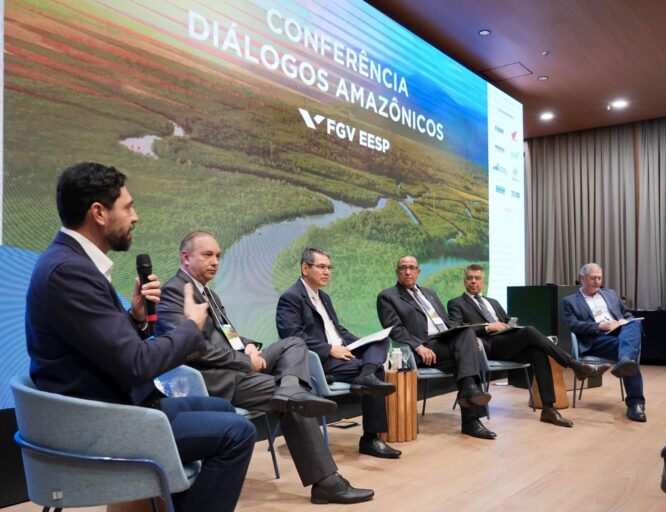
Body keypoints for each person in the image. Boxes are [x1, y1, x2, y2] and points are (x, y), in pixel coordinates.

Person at [26, 162, 256, 512]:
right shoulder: (69, 272)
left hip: (115, 406)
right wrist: (190, 328)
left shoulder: (70, 263)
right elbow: (136, 365)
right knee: (237, 433)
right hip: (103, 423)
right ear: (99, 213)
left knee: (222, 408)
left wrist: (134, 317)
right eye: (128, 207)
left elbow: (99, 346)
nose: (135, 217)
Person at [155, 232, 374, 505]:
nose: (215, 262)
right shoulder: (175, 291)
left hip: (238, 365)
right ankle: (327, 482)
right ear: (185, 257)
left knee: (293, 343)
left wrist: (248, 346)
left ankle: (291, 388)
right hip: (217, 379)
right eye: (207, 255)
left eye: (218, 256)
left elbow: (229, 336)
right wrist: (246, 361)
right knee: (293, 402)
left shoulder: (209, 293)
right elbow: (190, 348)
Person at [447, 264, 610, 428]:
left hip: (505, 342)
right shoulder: (456, 303)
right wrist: (487, 327)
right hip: (486, 347)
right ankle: (575, 365)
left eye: (477, 278)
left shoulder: (493, 302)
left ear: (484, 281)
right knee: (529, 331)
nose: (473, 282)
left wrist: (511, 324)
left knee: (538, 352)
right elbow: (456, 328)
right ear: (464, 281)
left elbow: (506, 320)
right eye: (470, 278)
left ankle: (548, 409)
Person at [276, 248, 400, 459]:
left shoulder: (323, 297)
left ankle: (366, 375)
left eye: (329, 268)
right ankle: (370, 438)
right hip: (320, 360)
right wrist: (329, 349)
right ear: (305, 268)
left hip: (341, 352)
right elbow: (292, 337)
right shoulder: (291, 298)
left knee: (381, 340)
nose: (327, 272)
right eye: (321, 267)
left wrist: (360, 342)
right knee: (376, 372)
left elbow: (337, 330)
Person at [376, 255, 495, 439]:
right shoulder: (388, 296)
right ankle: (472, 417)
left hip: (442, 341)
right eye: (403, 268)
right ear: (397, 271)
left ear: (418, 271)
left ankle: (470, 393)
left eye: (411, 267)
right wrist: (418, 346)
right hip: (421, 349)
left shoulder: (430, 293)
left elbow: (447, 323)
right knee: (465, 358)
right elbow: (394, 329)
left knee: (468, 335)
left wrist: (471, 340)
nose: (407, 271)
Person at [561, 263, 647, 422]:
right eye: (593, 278)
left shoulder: (611, 294)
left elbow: (627, 314)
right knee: (630, 352)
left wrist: (621, 321)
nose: (597, 281)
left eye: (599, 278)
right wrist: (598, 325)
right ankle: (635, 403)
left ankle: (626, 361)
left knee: (635, 323)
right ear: (582, 278)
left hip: (619, 334)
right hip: (596, 340)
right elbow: (573, 325)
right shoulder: (569, 301)